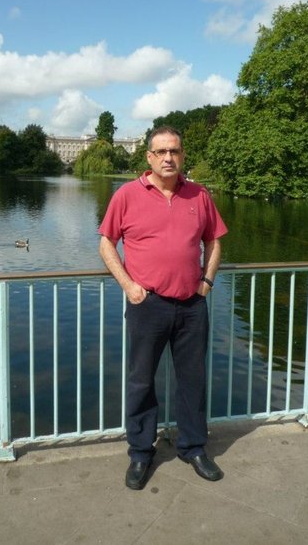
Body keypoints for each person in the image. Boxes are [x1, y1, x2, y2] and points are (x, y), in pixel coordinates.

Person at [98, 125, 228, 490]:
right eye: (162, 152)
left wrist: (206, 282)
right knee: (141, 380)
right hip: (147, 304)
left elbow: (215, 241)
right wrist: (128, 286)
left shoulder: (199, 195)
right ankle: (140, 453)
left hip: (191, 305)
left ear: (182, 155)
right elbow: (107, 244)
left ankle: (193, 447)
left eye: (175, 151)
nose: (169, 158)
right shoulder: (126, 195)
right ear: (149, 157)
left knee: (193, 380)